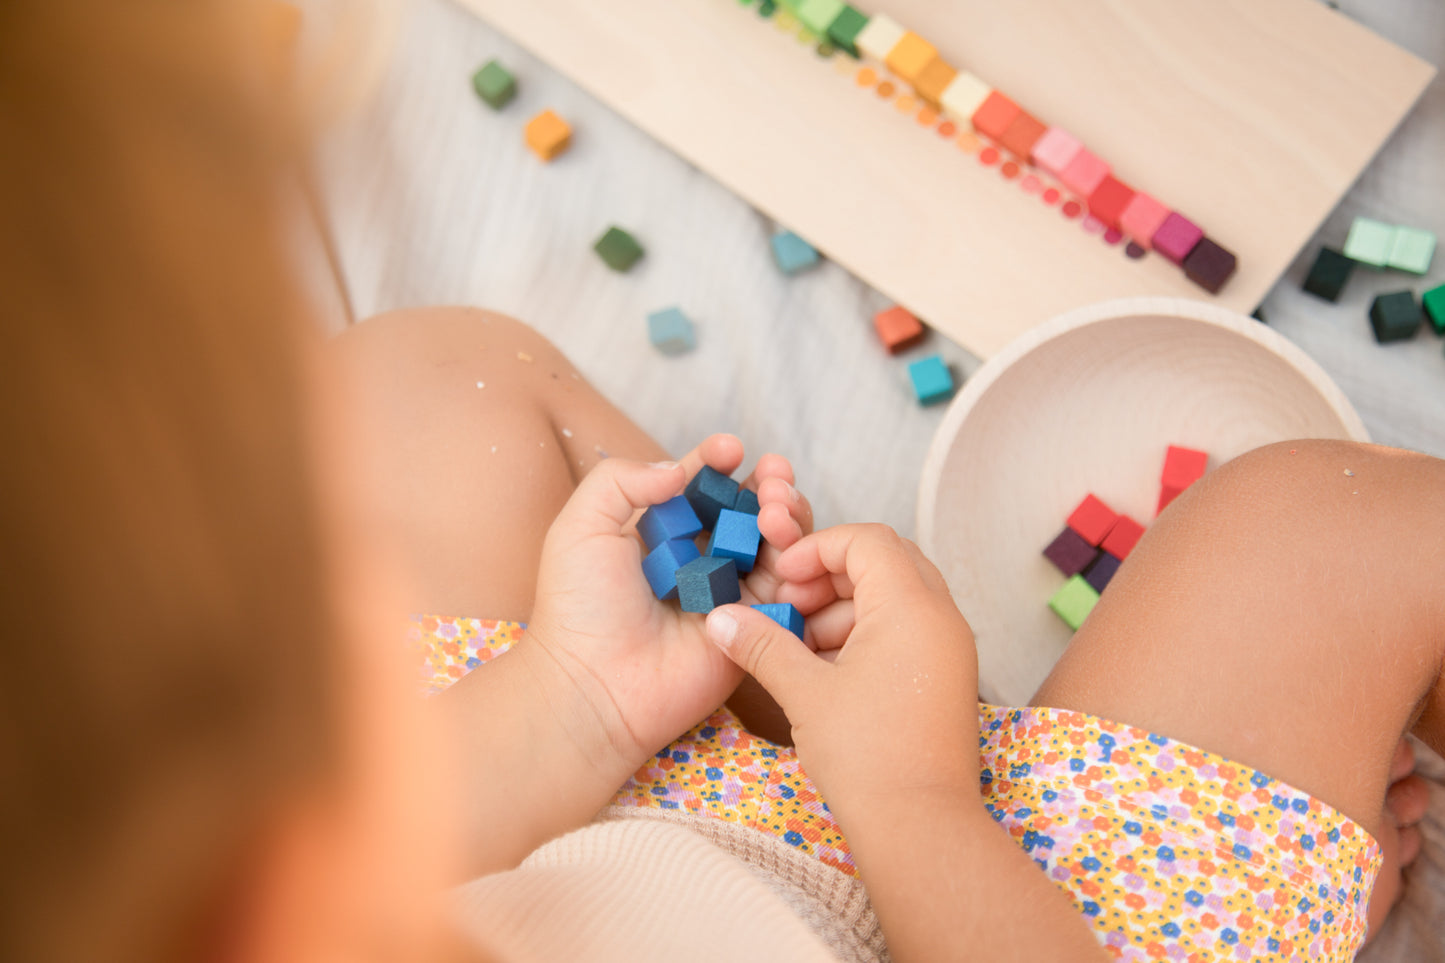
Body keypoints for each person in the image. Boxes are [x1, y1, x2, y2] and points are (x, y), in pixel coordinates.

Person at [1, 2, 1433, 962]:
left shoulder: (163, 892)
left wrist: (577, 698)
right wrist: (911, 793)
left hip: (569, 842)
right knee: (1337, 526)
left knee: (416, 385)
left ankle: (748, 709)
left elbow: (368, 847)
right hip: (987, 914)